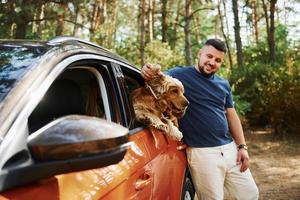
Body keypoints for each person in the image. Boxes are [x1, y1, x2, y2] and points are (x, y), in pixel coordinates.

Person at [141, 38, 259, 200]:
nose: (212, 62)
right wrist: (147, 70)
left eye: (218, 60)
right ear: (200, 53)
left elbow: (231, 116)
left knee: (250, 194)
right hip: (202, 153)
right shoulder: (179, 75)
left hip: (229, 149)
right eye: (209, 56)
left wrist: (242, 146)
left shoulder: (223, 84)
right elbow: (156, 78)